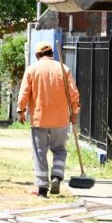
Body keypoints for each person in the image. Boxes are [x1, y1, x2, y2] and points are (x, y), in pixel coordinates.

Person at [17, 42, 81, 197]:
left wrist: (21, 110)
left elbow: (24, 92)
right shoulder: (63, 69)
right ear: (52, 53)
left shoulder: (32, 69)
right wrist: (74, 112)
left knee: (39, 153)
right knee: (59, 150)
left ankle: (42, 188)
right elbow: (74, 93)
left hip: (40, 119)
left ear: (37, 56)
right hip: (60, 119)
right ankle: (57, 176)